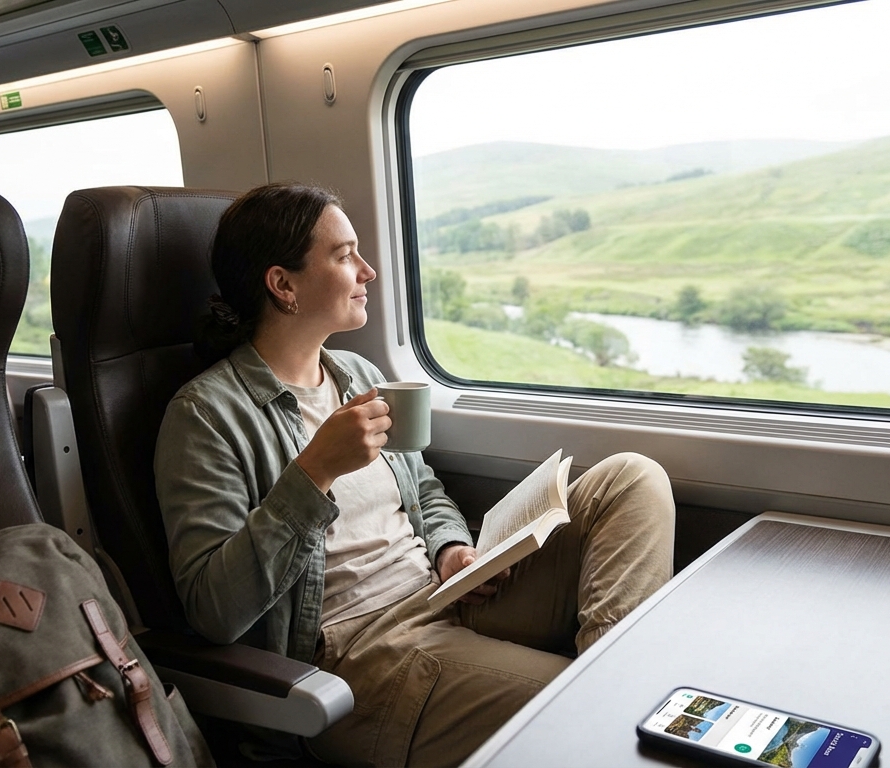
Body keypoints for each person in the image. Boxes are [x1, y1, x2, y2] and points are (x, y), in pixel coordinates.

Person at [153, 181, 675, 767]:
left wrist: (450, 548)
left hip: (441, 593)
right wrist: (314, 472)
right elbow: (214, 610)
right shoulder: (206, 415)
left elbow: (422, 492)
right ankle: (608, 709)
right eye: (344, 255)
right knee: (589, 711)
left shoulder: (354, 373)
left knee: (632, 477)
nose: (368, 271)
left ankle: (613, 682)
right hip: (358, 652)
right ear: (283, 285)